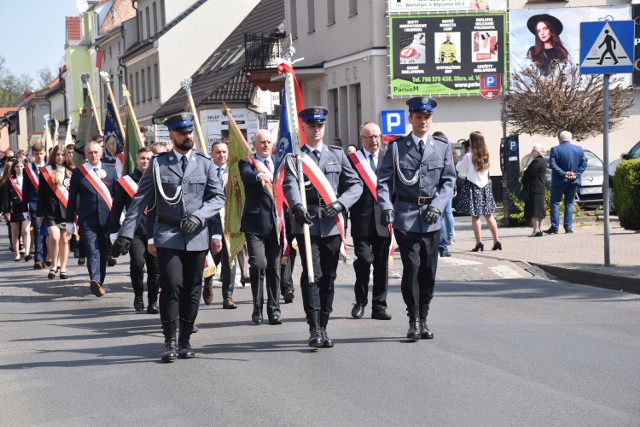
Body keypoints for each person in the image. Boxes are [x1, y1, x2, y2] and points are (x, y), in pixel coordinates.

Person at [111, 112, 225, 363]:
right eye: (182, 133)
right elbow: (140, 200)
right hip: (168, 234)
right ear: (172, 135)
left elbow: (218, 198)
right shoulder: (158, 164)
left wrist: (200, 216)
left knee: (193, 288)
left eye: (190, 132)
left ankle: (185, 340)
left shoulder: (205, 164)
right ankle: (169, 340)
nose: (188, 136)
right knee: (172, 284)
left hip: (196, 234)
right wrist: (125, 234)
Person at [283, 106, 363, 348]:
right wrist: (297, 206)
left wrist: (340, 204)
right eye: (311, 126)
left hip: (332, 223)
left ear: (324, 128)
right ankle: (314, 326)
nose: (316, 129)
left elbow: (355, 185)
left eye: (320, 126)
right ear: (304, 128)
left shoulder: (337, 155)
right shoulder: (295, 158)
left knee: (329, 276)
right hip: (307, 224)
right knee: (312, 275)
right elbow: (289, 185)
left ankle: (324, 324)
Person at [377, 97, 456, 341]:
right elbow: (384, 181)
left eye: (427, 117)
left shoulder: (442, 147)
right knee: (412, 268)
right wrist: (387, 206)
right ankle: (414, 319)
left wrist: (438, 205)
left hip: (431, 218)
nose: (423, 121)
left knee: (429, 271)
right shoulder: (397, 147)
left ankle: (425, 315)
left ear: (431, 120)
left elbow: (448, 181)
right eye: (418, 117)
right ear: (410, 119)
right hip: (406, 216)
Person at [347, 122, 392, 321]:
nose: (373, 140)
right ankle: (360, 302)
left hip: (384, 220)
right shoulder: (352, 161)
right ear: (361, 139)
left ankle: (379, 307)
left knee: (382, 265)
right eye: (369, 136)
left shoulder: (388, 157)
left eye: (376, 136)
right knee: (364, 261)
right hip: (361, 220)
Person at [239, 129, 282, 325]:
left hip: (277, 223)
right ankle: (257, 307)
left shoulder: (280, 163)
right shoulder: (247, 162)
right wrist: (260, 176)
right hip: (255, 224)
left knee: (274, 267)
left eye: (268, 142)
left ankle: (274, 310)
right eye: (261, 142)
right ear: (254, 144)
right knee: (258, 264)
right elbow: (247, 176)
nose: (265, 145)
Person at [109, 147, 160, 314]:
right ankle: (138, 295)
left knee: (155, 268)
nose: (145, 161)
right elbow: (117, 207)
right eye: (142, 158)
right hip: (136, 232)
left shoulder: (159, 178)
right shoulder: (126, 182)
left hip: (155, 231)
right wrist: (115, 231)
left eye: (148, 158)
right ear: (136, 160)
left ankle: (153, 301)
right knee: (138, 264)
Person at [65, 140, 116, 296]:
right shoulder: (79, 173)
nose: (93, 155)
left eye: (96, 152)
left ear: (101, 153)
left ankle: (100, 282)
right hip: (87, 220)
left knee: (103, 253)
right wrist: (69, 221)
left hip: (106, 220)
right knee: (93, 251)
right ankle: (94, 279)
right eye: (90, 153)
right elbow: (72, 198)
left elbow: (117, 197)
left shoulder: (111, 171)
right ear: (85, 155)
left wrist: (121, 215)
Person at [205, 139, 243, 309]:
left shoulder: (235, 172)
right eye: (218, 152)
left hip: (229, 222)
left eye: (224, 152)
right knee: (210, 258)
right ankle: (207, 283)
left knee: (230, 260)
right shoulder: (205, 172)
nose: (221, 155)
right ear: (212, 154)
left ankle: (228, 296)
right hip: (210, 221)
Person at [456, 131, 501, 252]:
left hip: (473, 186)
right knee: (489, 215)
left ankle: (478, 242)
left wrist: (463, 157)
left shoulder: (469, 156)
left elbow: (459, 168)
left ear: (473, 141)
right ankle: (496, 240)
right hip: (485, 186)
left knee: (475, 216)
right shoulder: (486, 154)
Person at [37, 145, 73, 279]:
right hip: (50, 210)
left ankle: (63, 268)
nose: (60, 157)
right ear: (53, 156)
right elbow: (41, 193)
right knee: (54, 237)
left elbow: (75, 194)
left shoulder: (71, 171)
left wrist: (76, 211)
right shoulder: (46, 171)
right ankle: (53, 265)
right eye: (58, 154)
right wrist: (39, 213)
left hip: (66, 210)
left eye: (63, 155)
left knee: (64, 239)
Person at [545, 131, 587, 234]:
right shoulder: (579, 149)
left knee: (555, 202)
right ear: (571, 138)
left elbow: (552, 165)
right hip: (573, 181)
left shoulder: (555, 149)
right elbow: (584, 164)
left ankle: (554, 227)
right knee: (569, 203)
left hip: (559, 180)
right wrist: (575, 174)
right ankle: (568, 227)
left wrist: (564, 174)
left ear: (560, 139)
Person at [21, 142, 47, 268]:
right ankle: (38, 258)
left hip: (49, 205)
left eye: (41, 153)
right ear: (33, 154)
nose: (39, 156)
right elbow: (25, 190)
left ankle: (48, 256)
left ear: (45, 153)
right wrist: (24, 209)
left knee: (49, 232)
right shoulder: (28, 170)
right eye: (37, 154)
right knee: (38, 231)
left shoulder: (49, 167)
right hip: (34, 205)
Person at [3, 158, 31, 262]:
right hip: (14, 209)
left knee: (26, 230)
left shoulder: (28, 178)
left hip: (25, 208)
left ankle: (27, 252)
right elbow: (6, 197)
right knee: (15, 233)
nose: (19, 169)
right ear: (14, 168)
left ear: (24, 167)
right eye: (17, 167)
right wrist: (6, 211)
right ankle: (17, 253)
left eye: (21, 166)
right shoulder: (9, 180)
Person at [432, 131, 455, 257]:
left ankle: (442, 246)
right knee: (448, 213)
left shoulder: (435, 152)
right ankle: (448, 240)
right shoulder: (449, 152)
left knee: (440, 217)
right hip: (447, 190)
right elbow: (451, 173)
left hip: (439, 191)